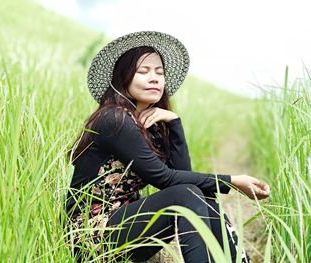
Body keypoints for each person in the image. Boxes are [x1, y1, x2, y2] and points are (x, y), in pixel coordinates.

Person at [65, 31, 270, 263]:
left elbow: (186, 177)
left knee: (201, 195)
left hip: (122, 230)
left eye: (159, 73)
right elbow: (165, 179)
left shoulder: (149, 125)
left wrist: (174, 124)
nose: (154, 78)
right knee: (185, 194)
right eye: (143, 71)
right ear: (123, 77)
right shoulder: (114, 119)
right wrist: (232, 181)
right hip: (88, 236)